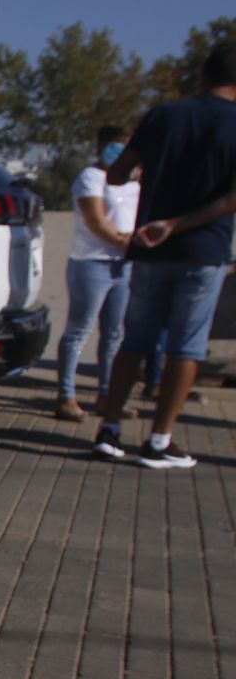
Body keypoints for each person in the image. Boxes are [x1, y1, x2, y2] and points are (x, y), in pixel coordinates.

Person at [94, 42, 236, 468]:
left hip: (150, 251)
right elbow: (231, 199)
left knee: (133, 339)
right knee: (185, 348)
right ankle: (159, 439)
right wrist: (177, 224)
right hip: (203, 250)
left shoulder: (165, 115)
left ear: (203, 75)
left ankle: (110, 429)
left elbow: (118, 172)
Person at [54, 126, 138, 421]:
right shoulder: (91, 177)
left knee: (115, 334)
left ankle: (107, 395)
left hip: (123, 266)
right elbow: (95, 221)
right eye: (116, 145)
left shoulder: (135, 182)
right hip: (91, 264)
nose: (120, 151)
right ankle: (66, 396)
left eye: (126, 145)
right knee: (79, 330)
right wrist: (128, 242)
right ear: (102, 145)